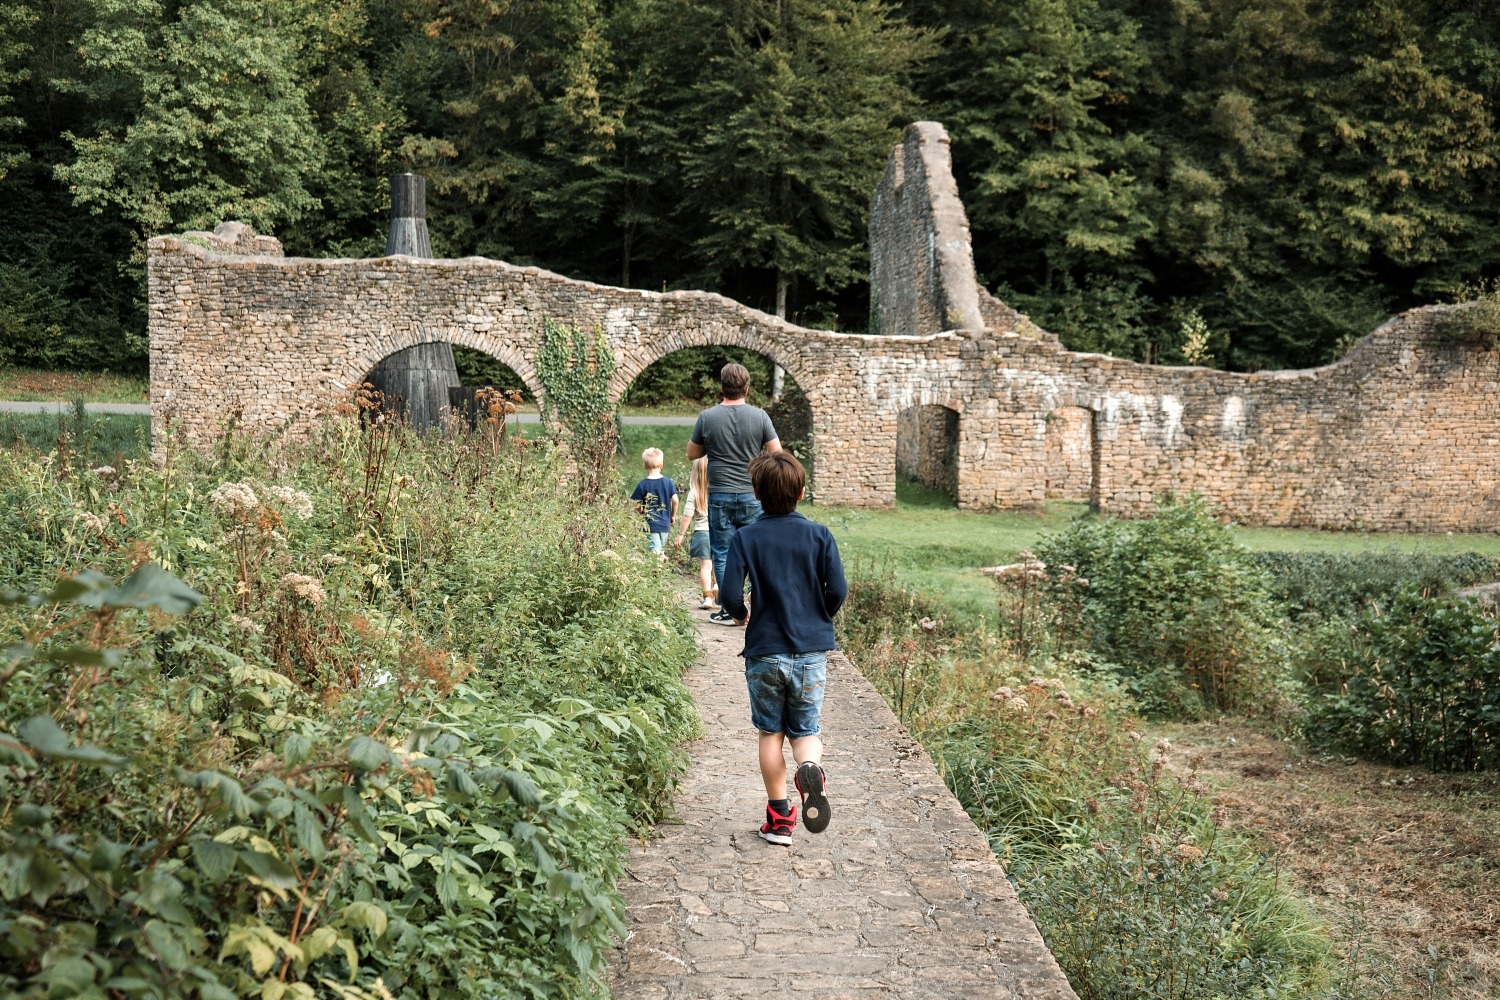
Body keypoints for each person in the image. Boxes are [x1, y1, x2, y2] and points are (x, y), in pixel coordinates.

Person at [720, 450, 846, 846]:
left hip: (764, 651)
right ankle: (810, 769)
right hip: (810, 652)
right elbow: (837, 590)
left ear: (756, 493)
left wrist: (741, 613)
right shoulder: (820, 535)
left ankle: (779, 821)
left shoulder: (746, 537)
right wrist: (817, 616)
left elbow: (728, 594)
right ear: (802, 492)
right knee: (806, 729)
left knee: (770, 733)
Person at [687, 362, 780, 625]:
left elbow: (693, 453)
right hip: (753, 496)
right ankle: (759, 608)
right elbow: (778, 454)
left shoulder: (708, 417)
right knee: (756, 551)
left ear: (721, 387)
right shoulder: (760, 417)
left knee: (723, 552)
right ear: (747, 388)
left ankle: (732, 611)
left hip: (720, 495)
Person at [673, 456, 718, 609]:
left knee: (705, 566)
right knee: (719, 563)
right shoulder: (718, 491)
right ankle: (717, 585)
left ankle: (707, 598)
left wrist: (680, 534)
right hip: (719, 533)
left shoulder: (695, 492)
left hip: (702, 533)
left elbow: (687, 516)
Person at [630, 447, 678, 558]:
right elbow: (675, 500)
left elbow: (635, 505)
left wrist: (641, 511)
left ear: (644, 465)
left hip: (650, 524)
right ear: (662, 465)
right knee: (660, 550)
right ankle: (659, 571)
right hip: (665, 523)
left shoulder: (643, 485)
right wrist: (673, 515)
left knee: (655, 551)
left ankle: (657, 572)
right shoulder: (668, 482)